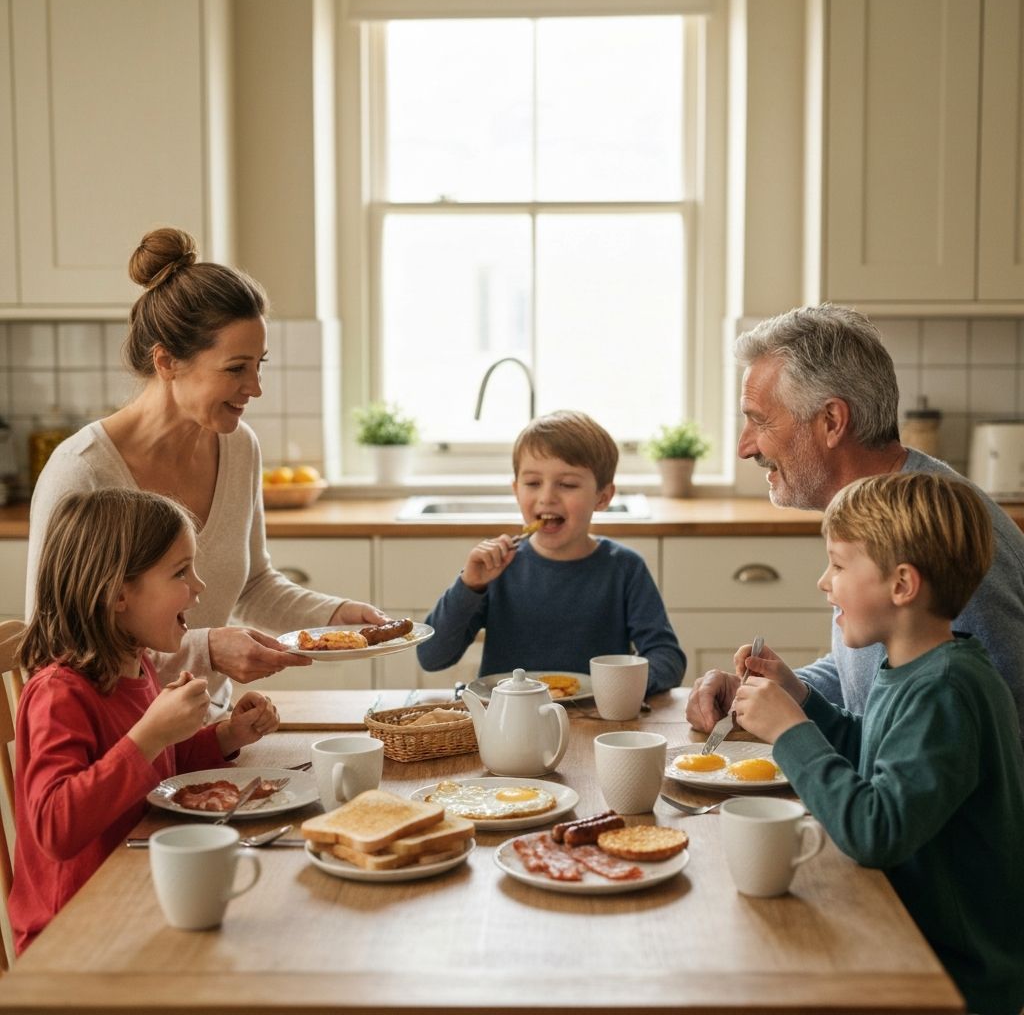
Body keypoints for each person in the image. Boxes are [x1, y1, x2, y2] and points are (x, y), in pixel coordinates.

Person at [25, 227, 387, 714]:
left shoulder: (238, 447)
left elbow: (253, 584)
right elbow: (53, 652)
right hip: (115, 744)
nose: (254, 388)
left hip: (208, 733)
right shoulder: (82, 472)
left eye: (260, 365)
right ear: (167, 360)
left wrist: (335, 616)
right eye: (236, 368)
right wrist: (206, 649)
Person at [731, 473, 1024, 1015]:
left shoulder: (947, 691)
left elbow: (876, 830)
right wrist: (803, 700)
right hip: (905, 932)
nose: (825, 582)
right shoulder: (920, 669)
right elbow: (878, 753)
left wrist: (790, 732)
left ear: (902, 585)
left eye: (839, 565)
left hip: (951, 974)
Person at [686, 303, 1024, 744]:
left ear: (831, 421)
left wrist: (796, 733)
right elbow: (871, 678)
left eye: (759, 421)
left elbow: (991, 733)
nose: (745, 447)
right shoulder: (873, 514)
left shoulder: (939, 538)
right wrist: (773, 693)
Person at [10, 487, 282, 955]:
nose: (198, 586)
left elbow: (159, 765)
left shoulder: (137, 663)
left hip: (140, 887)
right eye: (181, 572)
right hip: (72, 933)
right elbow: (55, 828)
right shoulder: (59, 693)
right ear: (117, 594)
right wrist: (150, 733)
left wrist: (224, 736)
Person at [417, 410, 684, 694]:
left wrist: (617, 688)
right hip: (507, 725)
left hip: (595, 723)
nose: (546, 497)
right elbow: (431, 657)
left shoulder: (625, 568)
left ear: (603, 497)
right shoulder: (496, 569)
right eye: (532, 483)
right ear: (516, 490)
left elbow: (668, 661)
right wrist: (469, 585)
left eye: (567, 484)